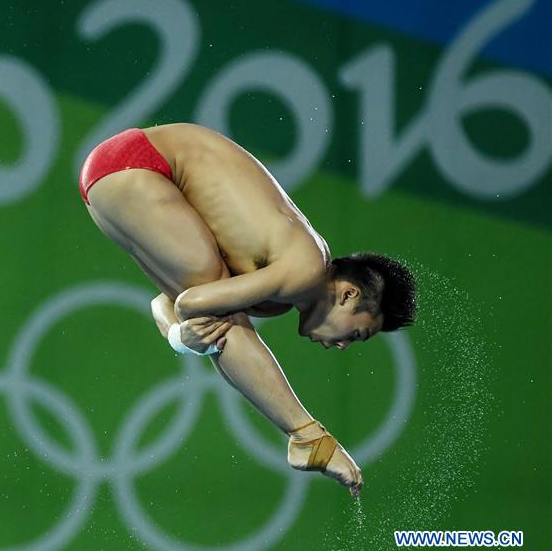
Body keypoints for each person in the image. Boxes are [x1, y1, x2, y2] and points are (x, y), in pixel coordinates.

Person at [80, 123, 417, 496]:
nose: (342, 346)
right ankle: (307, 436)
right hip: (139, 166)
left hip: (112, 177)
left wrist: (180, 337)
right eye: (356, 333)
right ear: (349, 295)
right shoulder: (306, 269)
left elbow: (164, 303)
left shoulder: (275, 299)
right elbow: (190, 302)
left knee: (218, 316)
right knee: (218, 307)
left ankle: (306, 437)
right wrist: (193, 325)